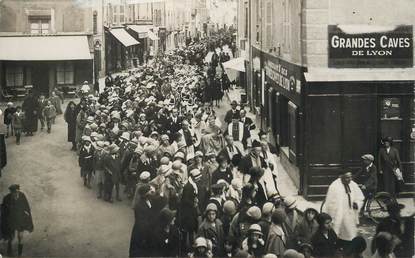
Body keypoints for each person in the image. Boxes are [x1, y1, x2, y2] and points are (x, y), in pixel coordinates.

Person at [322, 171, 364, 250]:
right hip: (338, 215)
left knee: (350, 234)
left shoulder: (353, 184)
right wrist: (333, 215)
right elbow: (329, 203)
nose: (349, 179)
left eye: (350, 177)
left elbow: (360, 197)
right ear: (341, 176)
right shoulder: (334, 186)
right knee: (336, 234)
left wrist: (357, 204)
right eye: (347, 177)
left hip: (349, 214)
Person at [1, 184, 34, 257]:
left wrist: (28, 216)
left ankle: (19, 254)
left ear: (18, 190)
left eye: (17, 192)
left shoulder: (22, 195)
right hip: (11, 219)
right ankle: (9, 250)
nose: (16, 194)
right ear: (11, 192)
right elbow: (3, 210)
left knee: (20, 236)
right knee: (11, 236)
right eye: (14, 192)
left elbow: (27, 207)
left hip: (20, 219)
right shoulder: (7, 198)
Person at [129, 184, 156, 257]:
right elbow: (142, 223)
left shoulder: (148, 201)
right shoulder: (140, 206)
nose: (152, 192)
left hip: (145, 230)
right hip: (141, 232)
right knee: (138, 251)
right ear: (146, 194)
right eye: (150, 191)